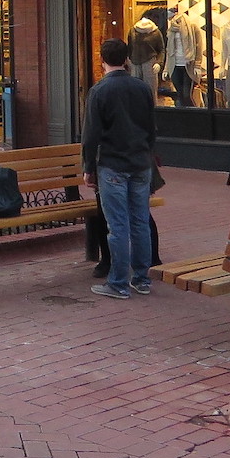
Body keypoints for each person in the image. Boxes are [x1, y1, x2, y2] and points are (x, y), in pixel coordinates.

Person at [82, 37, 157, 300]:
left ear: (102, 60)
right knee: (140, 222)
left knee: (118, 226)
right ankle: (142, 278)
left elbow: (91, 134)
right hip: (139, 163)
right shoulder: (142, 88)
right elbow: (151, 127)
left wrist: (88, 167)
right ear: (126, 59)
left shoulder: (99, 91)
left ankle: (118, 282)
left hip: (112, 164)